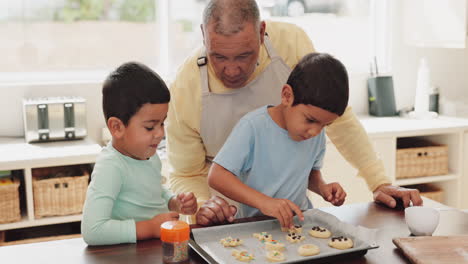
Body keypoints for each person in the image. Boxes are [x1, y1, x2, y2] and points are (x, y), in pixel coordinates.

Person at [166, 0, 422, 226]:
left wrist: (378, 182)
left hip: (289, 217)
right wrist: (203, 207)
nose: (232, 70)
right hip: (227, 214)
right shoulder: (185, 86)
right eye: (218, 57)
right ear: (203, 35)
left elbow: (337, 118)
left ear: (262, 32)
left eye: (244, 56)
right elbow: (186, 173)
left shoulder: (291, 43)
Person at [208, 53, 349, 228]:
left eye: (325, 125)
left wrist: (322, 188)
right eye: (310, 120)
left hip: (299, 224)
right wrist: (265, 202)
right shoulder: (253, 127)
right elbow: (217, 176)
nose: (315, 131)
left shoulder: (315, 133)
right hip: (258, 227)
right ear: (287, 96)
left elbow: (310, 172)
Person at [81, 62, 197, 246]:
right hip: (130, 252)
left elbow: (152, 191)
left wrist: (173, 202)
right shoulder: (111, 166)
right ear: (117, 127)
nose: (160, 133)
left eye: (162, 123)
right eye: (150, 126)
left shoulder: (147, 154)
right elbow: (92, 230)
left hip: (156, 245)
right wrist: (150, 227)